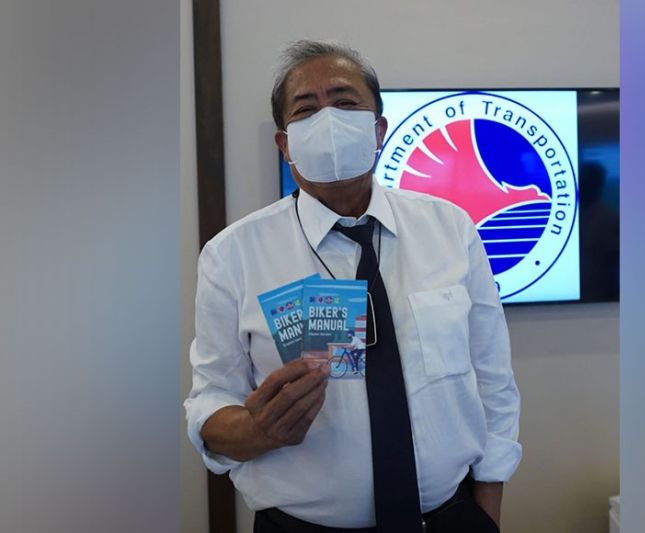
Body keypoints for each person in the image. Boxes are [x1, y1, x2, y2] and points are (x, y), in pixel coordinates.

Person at [185, 40, 521, 533]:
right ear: (285, 144)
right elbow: (211, 400)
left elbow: (493, 379)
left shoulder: (450, 229)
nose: (329, 120)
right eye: (306, 109)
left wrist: (486, 512)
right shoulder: (232, 254)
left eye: (345, 102)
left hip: (450, 519)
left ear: (378, 129)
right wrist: (254, 430)